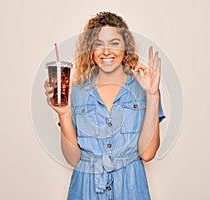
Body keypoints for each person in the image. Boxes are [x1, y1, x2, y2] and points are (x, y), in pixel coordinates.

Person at [44, 11, 165, 200]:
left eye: (114, 43)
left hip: (131, 189)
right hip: (86, 189)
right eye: (98, 44)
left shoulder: (145, 87)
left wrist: (152, 96)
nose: (106, 51)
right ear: (90, 50)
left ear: (126, 47)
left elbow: (148, 153)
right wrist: (64, 113)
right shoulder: (76, 91)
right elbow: (73, 159)